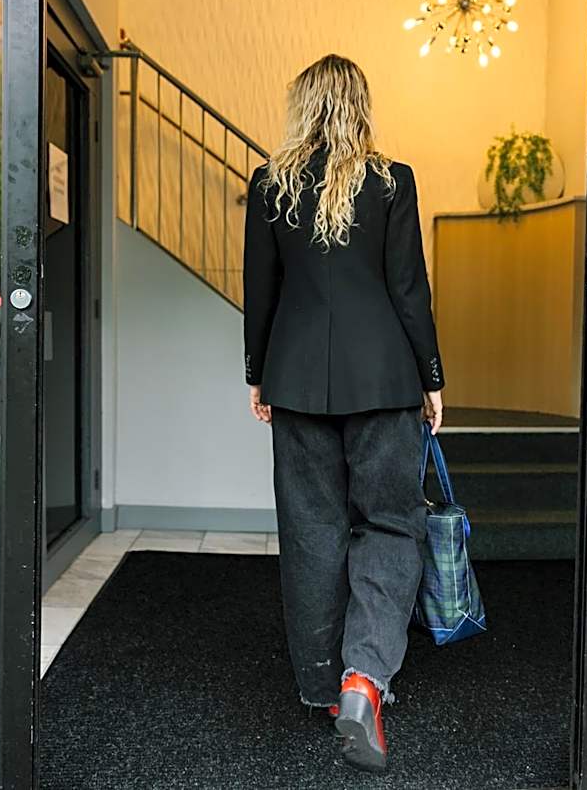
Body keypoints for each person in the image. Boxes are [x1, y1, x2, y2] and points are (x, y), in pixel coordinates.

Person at [242, 53, 444, 773]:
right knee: (389, 523)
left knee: (312, 531)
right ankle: (365, 677)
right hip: (385, 380)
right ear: (361, 105)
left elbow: (260, 290)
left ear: (302, 106)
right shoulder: (393, 181)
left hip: (297, 380)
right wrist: (431, 376)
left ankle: (323, 686)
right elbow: (409, 288)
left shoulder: (271, 183)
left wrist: (257, 375)